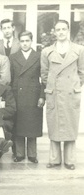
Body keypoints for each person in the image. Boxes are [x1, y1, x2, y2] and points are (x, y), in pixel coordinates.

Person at [41, 20, 84, 170]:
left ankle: (70, 160)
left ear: (68, 31)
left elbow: (82, 72)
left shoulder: (79, 50)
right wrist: (52, 86)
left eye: (63, 29)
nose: (60, 32)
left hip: (71, 93)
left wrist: (73, 86)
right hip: (54, 93)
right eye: (58, 29)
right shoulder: (47, 51)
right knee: (54, 125)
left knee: (70, 125)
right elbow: (44, 74)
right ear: (54, 32)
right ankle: (54, 159)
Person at [10, 31, 45, 163]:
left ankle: (32, 154)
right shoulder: (13, 57)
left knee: (32, 124)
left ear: (31, 41)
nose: (25, 44)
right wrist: (10, 98)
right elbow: (11, 78)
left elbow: (43, 79)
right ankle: (19, 153)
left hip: (34, 95)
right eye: (22, 41)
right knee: (18, 124)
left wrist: (42, 96)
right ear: (19, 42)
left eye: (27, 41)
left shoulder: (39, 56)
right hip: (17, 95)